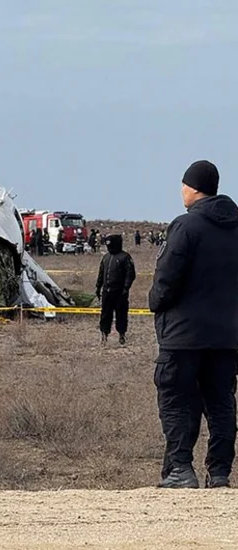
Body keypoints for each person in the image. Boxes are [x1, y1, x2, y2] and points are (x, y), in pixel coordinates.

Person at [149, 159, 238, 489]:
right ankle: (220, 473)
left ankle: (180, 469)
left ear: (193, 187)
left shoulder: (186, 227)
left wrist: (156, 303)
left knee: (175, 400)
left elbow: (167, 278)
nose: (181, 190)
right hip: (227, 336)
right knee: (221, 404)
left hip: (183, 336)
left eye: (184, 184)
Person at [95, 234, 135, 344]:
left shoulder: (125, 257)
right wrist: (98, 287)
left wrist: (126, 288)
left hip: (120, 292)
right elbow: (101, 273)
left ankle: (122, 334)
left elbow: (130, 274)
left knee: (121, 314)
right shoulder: (106, 257)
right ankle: (104, 334)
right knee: (105, 314)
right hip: (107, 291)